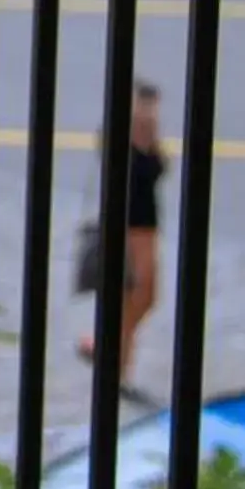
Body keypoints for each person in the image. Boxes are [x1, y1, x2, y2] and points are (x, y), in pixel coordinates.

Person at [79, 82, 169, 391]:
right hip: (127, 227)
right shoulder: (117, 135)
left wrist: (150, 136)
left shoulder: (148, 136)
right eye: (143, 104)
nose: (148, 111)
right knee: (131, 295)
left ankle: (109, 352)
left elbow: (161, 169)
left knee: (144, 298)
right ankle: (116, 366)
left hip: (148, 225)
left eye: (151, 105)